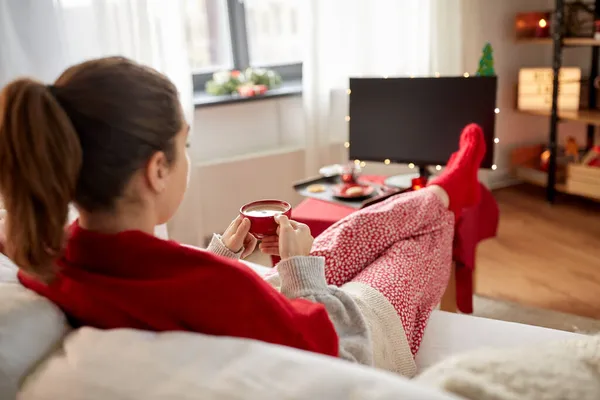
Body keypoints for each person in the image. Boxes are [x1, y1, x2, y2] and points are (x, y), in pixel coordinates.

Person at [0, 57, 484, 376]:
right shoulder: (215, 286)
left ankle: (443, 191)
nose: (187, 158)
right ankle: (446, 196)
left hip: (282, 304)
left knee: (356, 230)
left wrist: (222, 256)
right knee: (421, 235)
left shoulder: (48, 258)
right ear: (157, 169)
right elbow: (344, 357)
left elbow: (170, 293)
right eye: (183, 145)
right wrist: (298, 272)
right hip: (358, 330)